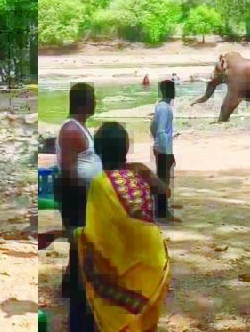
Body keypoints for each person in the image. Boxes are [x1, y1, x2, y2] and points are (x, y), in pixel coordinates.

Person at [69, 121, 172, 331]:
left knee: (81, 247)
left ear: (97, 150)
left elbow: (97, 237)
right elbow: (165, 192)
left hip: (134, 271)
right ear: (127, 147)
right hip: (158, 264)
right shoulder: (137, 172)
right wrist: (147, 174)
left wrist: (73, 235)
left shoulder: (100, 183)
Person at [55, 82, 102, 298]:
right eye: (92, 98)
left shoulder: (80, 127)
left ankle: (72, 284)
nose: (95, 102)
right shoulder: (71, 129)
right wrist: (85, 196)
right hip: (76, 195)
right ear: (83, 102)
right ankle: (74, 288)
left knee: (80, 245)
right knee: (79, 242)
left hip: (83, 193)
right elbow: (68, 170)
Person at [150, 80, 177, 220]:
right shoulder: (165, 108)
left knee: (162, 178)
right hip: (163, 149)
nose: (174, 92)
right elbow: (161, 131)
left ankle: (161, 208)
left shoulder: (160, 106)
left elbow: (153, 127)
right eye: (172, 89)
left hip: (160, 147)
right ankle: (162, 211)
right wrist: (168, 153)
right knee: (163, 179)